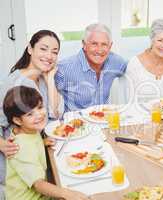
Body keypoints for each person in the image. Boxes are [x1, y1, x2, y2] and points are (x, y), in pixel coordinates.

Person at [0, 30, 62, 195]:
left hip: (39, 151)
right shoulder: (12, 83)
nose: (49, 56)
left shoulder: (41, 78)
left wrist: (50, 81)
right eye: (43, 49)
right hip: (18, 164)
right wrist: (1, 144)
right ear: (29, 49)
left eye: (54, 52)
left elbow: (54, 115)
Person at [3, 86, 88, 200]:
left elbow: (30, 145)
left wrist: (42, 142)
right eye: (30, 114)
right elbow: (38, 185)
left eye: (40, 107)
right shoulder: (20, 148)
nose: (39, 115)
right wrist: (67, 194)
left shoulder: (28, 131)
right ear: (18, 120)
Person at [55, 23, 127, 111]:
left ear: (110, 46)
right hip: (76, 123)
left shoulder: (116, 62)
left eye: (104, 44)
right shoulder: (64, 68)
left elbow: (134, 68)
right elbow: (49, 105)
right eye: (94, 44)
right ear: (84, 44)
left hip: (103, 121)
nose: (99, 50)